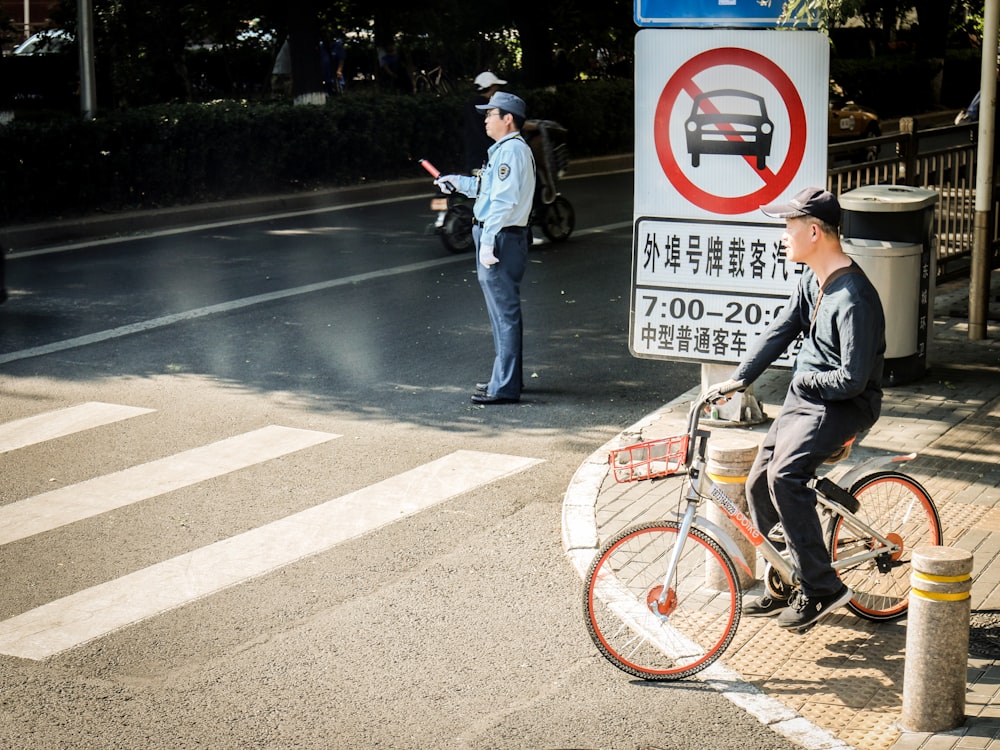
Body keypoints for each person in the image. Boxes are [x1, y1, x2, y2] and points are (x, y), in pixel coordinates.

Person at [709, 187, 886, 631]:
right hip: (807, 399)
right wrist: (740, 378)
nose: (783, 236)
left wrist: (804, 381)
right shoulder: (813, 279)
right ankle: (787, 578)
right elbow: (784, 327)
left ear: (812, 231)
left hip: (842, 404)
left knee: (786, 479)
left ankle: (823, 587)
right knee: (756, 483)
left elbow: (852, 380)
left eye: (789, 228)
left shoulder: (854, 300)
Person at [432, 92, 537, 405]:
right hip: (502, 237)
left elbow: (504, 202)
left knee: (504, 313)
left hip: (502, 238)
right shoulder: (506, 151)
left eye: (491, 114)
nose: (486, 119)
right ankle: (506, 379)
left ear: (508, 119)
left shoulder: (512, 152)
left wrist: (488, 238)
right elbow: (486, 190)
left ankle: (505, 386)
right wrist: (456, 182)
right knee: (500, 314)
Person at [463, 72, 506, 173]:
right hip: (490, 159)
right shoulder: (491, 107)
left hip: (474, 160)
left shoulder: (470, 106)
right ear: (491, 87)